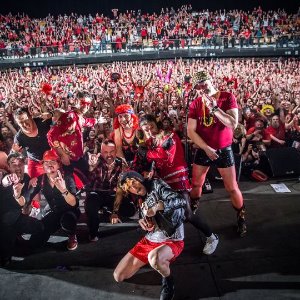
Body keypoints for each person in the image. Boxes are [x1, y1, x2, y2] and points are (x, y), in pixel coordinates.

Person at [138, 114, 219, 255]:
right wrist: (151, 169)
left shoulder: (170, 137)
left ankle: (211, 237)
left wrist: (146, 154)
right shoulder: (151, 141)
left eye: (151, 127)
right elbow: (155, 161)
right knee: (164, 211)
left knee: (187, 213)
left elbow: (164, 156)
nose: (149, 131)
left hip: (177, 179)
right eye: (146, 129)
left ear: (156, 123)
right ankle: (166, 241)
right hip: (162, 182)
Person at [187, 71, 247, 237]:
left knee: (232, 188)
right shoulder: (195, 103)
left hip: (224, 148)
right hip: (203, 148)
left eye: (203, 83)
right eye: (198, 86)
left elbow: (232, 124)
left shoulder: (227, 97)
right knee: (197, 184)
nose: (201, 88)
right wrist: (206, 148)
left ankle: (241, 217)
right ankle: (192, 208)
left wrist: (214, 108)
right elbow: (191, 131)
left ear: (210, 80)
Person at [113, 171, 186, 300]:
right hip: (151, 239)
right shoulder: (138, 197)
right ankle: (159, 262)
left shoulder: (156, 184)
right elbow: (145, 214)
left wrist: (158, 206)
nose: (134, 188)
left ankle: (168, 281)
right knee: (118, 276)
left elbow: (180, 200)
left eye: (134, 183)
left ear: (139, 179)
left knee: (154, 259)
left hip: (172, 239)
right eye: (130, 187)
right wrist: (143, 221)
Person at [26, 150, 80, 251]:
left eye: (53, 162)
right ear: (43, 165)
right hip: (55, 212)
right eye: (46, 162)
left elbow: (74, 204)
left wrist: (63, 190)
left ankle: (72, 235)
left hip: (70, 211)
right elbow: (28, 197)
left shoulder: (67, 178)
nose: (50, 165)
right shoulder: (41, 180)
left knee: (67, 221)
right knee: (34, 242)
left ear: (59, 164)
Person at [85, 139, 135, 241]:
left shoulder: (121, 163)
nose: (109, 155)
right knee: (91, 205)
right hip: (96, 193)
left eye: (111, 152)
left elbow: (121, 189)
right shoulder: (95, 160)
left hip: (113, 194)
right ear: (101, 152)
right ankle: (93, 233)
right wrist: (91, 167)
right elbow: (88, 182)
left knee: (130, 210)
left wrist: (115, 212)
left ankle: (107, 211)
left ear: (116, 151)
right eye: (105, 152)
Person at [0, 153, 43, 266]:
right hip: (3, 221)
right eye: (13, 164)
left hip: (16, 217)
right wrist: (6, 181)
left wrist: (30, 191)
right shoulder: (4, 176)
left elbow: (26, 203)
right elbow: (4, 181)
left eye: (20, 164)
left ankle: (16, 238)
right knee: (4, 260)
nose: (17, 167)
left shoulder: (28, 179)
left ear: (24, 165)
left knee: (38, 226)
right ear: (8, 167)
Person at [12, 107, 52, 178]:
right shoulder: (19, 138)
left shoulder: (42, 121)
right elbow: (15, 154)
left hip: (52, 157)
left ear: (30, 116)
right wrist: (16, 152)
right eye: (21, 122)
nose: (25, 124)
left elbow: (62, 113)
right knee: (33, 184)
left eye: (26, 120)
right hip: (35, 163)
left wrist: (52, 114)